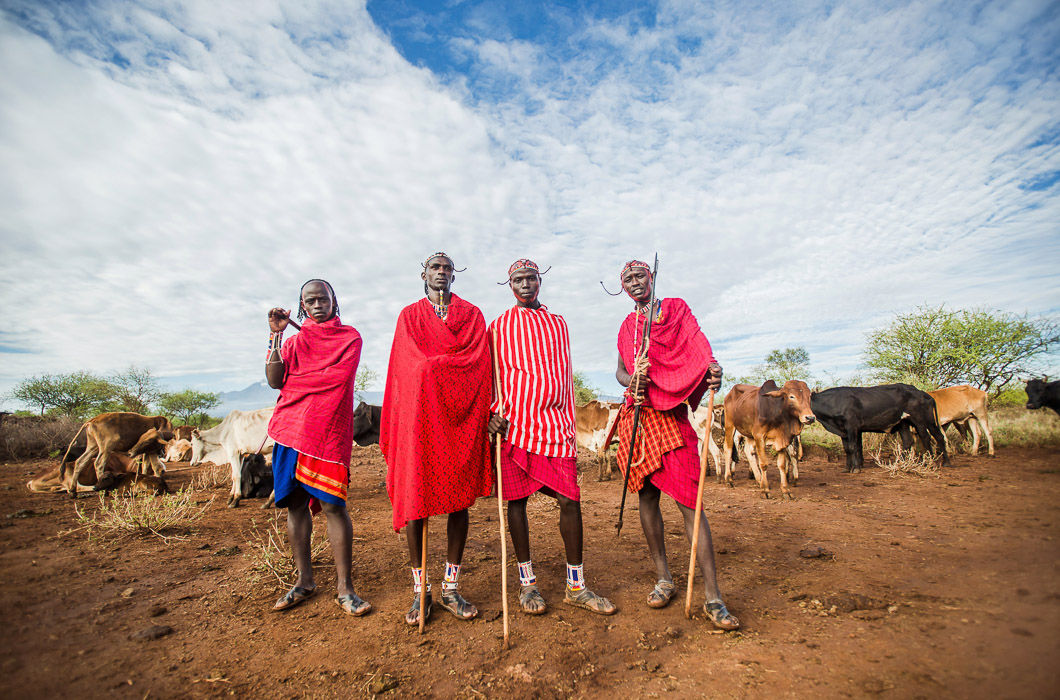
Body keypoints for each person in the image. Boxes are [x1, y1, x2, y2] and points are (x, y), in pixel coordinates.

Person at [611, 260, 740, 630]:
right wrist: (631, 377)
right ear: (622, 287)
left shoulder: (678, 310)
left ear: (651, 278)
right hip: (640, 416)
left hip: (672, 417)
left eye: (640, 276)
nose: (635, 283)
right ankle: (664, 578)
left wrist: (712, 369)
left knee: (690, 504)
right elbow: (619, 369)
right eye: (628, 280)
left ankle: (714, 597)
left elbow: (700, 351)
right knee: (647, 498)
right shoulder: (626, 326)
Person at [487, 259, 616, 616]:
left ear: (540, 281)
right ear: (508, 284)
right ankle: (527, 585)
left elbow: (560, 374)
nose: (525, 284)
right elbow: (490, 375)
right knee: (517, 504)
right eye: (518, 279)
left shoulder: (558, 324)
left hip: (556, 426)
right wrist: (490, 413)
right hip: (514, 425)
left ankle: (576, 585)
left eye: (530, 278)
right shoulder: (498, 327)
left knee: (570, 500)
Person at [380, 253, 493, 626]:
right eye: (435, 268)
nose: (441, 273)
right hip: (420, 422)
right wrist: (434, 369)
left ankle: (450, 586)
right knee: (417, 502)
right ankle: (420, 590)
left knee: (458, 503)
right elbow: (406, 368)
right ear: (423, 275)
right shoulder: (409, 317)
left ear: (454, 275)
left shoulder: (473, 316)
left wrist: (435, 369)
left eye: (447, 268)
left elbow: (478, 362)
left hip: (460, 421)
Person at [265, 279, 371, 616]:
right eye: (309, 301)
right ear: (301, 306)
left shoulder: (349, 338)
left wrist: (296, 383)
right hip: (290, 432)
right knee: (295, 506)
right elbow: (275, 380)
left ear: (333, 301)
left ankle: (345, 588)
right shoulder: (293, 342)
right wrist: (276, 335)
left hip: (326, 435)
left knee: (333, 507)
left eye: (322, 299)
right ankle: (304, 580)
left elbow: (336, 380)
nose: (316, 305)